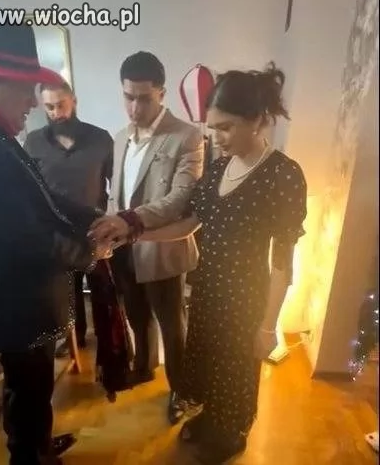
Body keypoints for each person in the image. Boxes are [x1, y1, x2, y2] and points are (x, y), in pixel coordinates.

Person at [0, 6, 112, 465]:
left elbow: (40, 197)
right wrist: (90, 251)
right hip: (14, 302)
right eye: (25, 87)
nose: (33, 99)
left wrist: (94, 218)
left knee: (30, 390)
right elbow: (20, 236)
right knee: (29, 390)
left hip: (18, 299)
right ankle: (30, 454)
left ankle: (36, 445)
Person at [131, 62, 308, 463]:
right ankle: (211, 419)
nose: (216, 137)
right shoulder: (217, 169)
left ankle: (230, 436)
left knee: (235, 372)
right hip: (208, 289)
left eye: (226, 128)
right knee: (209, 364)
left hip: (245, 298)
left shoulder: (282, 175)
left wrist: (268, 325)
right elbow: (190, 223)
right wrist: (138, 235)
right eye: (212, 128)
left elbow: (282, 261)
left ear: (257, 119)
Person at [90, 51, 204, 424]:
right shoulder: (120, 137)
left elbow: (180, 199)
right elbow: (116, 194)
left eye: (144, 98)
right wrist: (109, 230)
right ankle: (143, 367)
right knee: (136, 315)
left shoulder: (187, 136)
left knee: (173, 326)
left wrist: (128, 220)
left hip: (163, 248)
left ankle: (181, 390)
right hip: (124, 250)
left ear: (162, 94)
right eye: (128, 97)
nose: (135, 108)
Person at [24, 81, 114, 356]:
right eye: (49, 107)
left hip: (97, 229)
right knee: (67, 291)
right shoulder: (33, 142)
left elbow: (116, 183)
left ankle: (108, 343)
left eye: (61, 105)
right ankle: (75, 338)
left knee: (102, 290)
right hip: (57, 233)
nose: (56, 113)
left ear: (74, 100)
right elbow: (29, 188)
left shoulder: (101, 138)